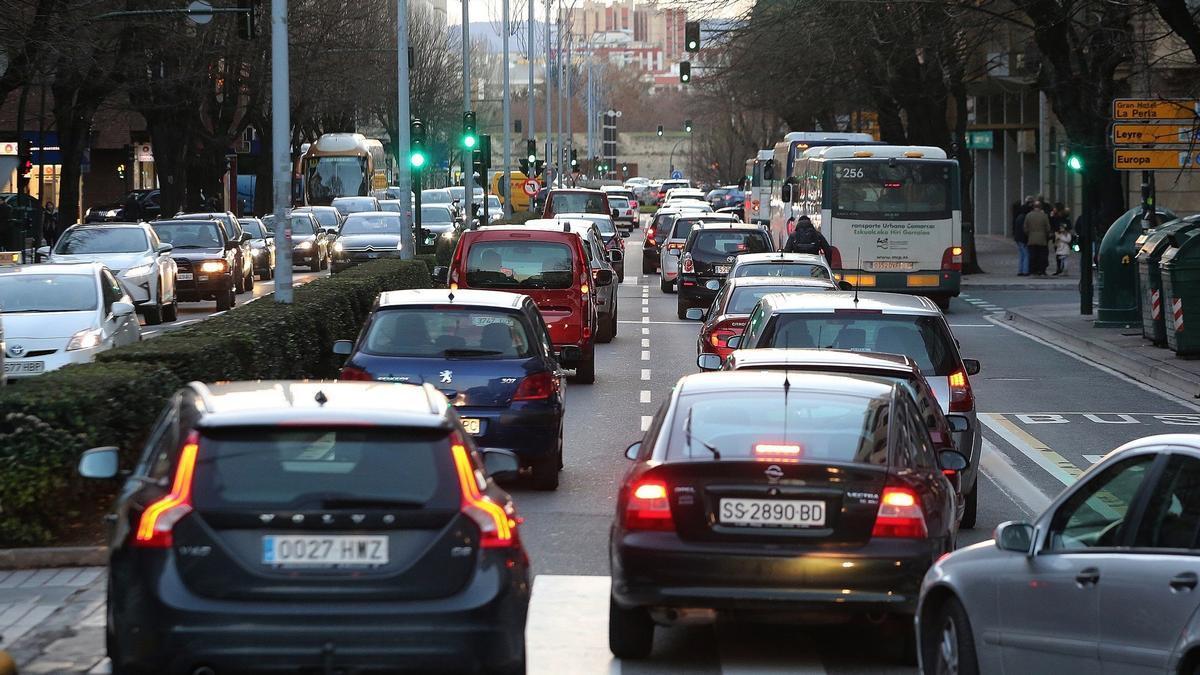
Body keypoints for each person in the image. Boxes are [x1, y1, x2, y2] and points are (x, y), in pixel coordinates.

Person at [1024, 201, 1051, 276]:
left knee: (1032, 255)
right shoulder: (1044, 216)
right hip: (1042, 239)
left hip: (1031, 238)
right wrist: (1046, 235)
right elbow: (1048, 228)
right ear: (1040, 207)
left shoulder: (1028, 215)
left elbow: (1025, 228)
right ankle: (1041, 270)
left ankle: (1032, 270)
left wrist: (1029, 234)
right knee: (1042, 255)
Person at [1012, 197, 1031, 276]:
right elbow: (1025, 230)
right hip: (1022, 239)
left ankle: (1020, 270)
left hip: (1018, 238)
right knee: (1026, 254)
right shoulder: (1024, 218)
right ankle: (1025, 270)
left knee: (1022, 254)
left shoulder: (1018, 217)